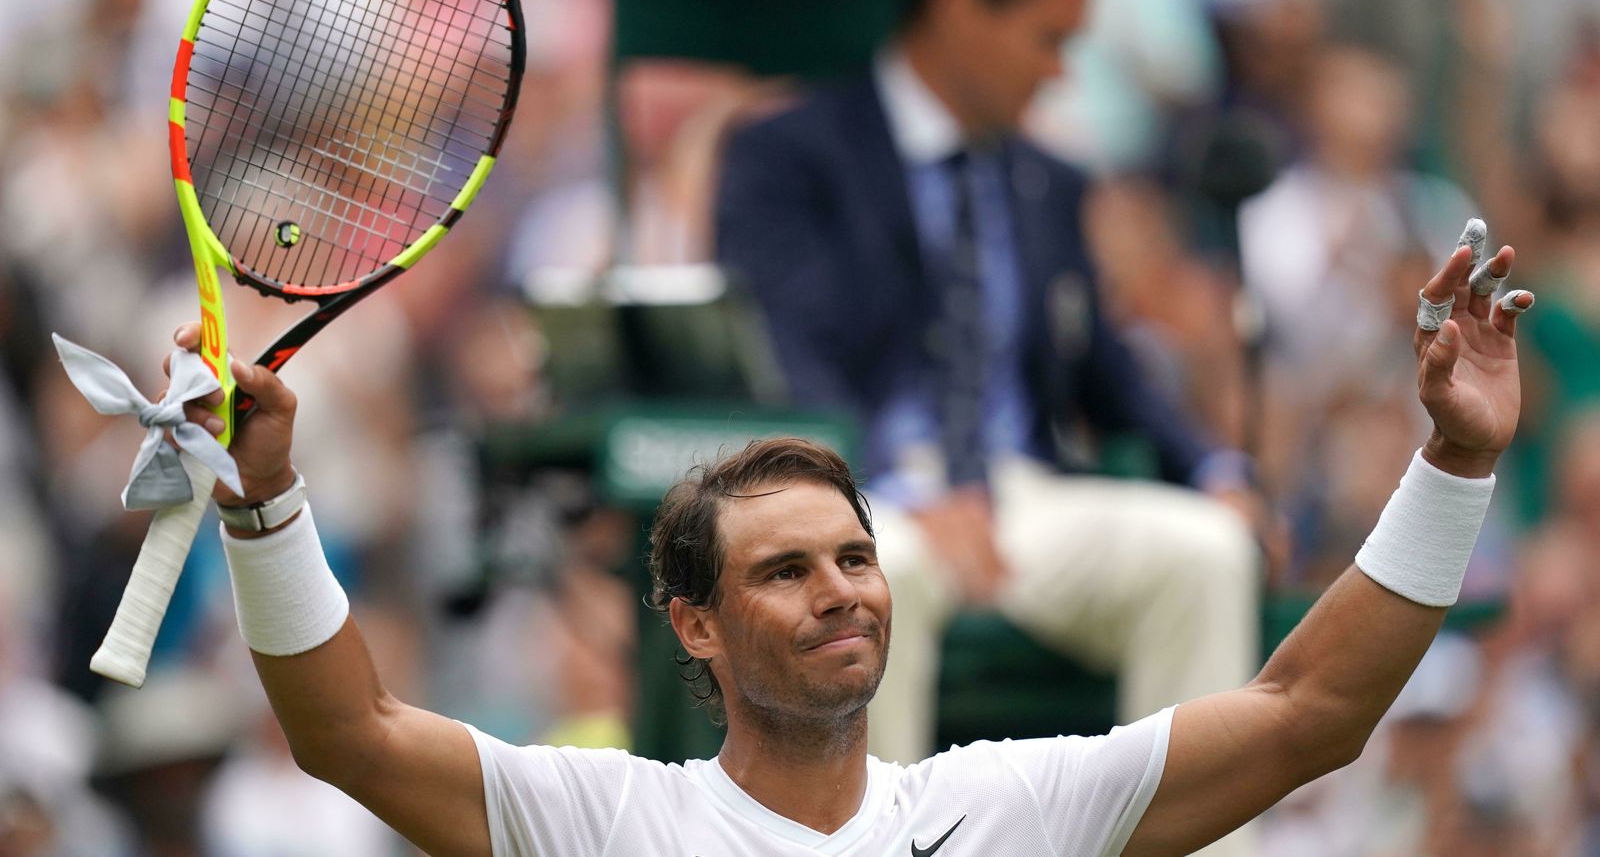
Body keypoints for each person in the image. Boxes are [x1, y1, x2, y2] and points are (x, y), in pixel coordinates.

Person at [164, 236, 1531, 855]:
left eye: (855, 558)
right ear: (690, 622)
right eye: (784, 570)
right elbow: (349, 733)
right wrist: (265, 503)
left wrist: (1456, 461)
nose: (841, 593)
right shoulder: (609, 823)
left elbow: (1311, 715)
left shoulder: (1010, 810)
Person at [713, 0, 1263, 775]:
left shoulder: (1049, 179)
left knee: (1208, 551)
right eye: (1047, 39)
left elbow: (1102, 368)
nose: (1059, 71)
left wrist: (1212, 468)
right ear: (960, 5)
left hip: (1020, 499)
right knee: (867, 570)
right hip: (865, 493)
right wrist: (887, 489)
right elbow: (781, 353)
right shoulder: (790, 154)